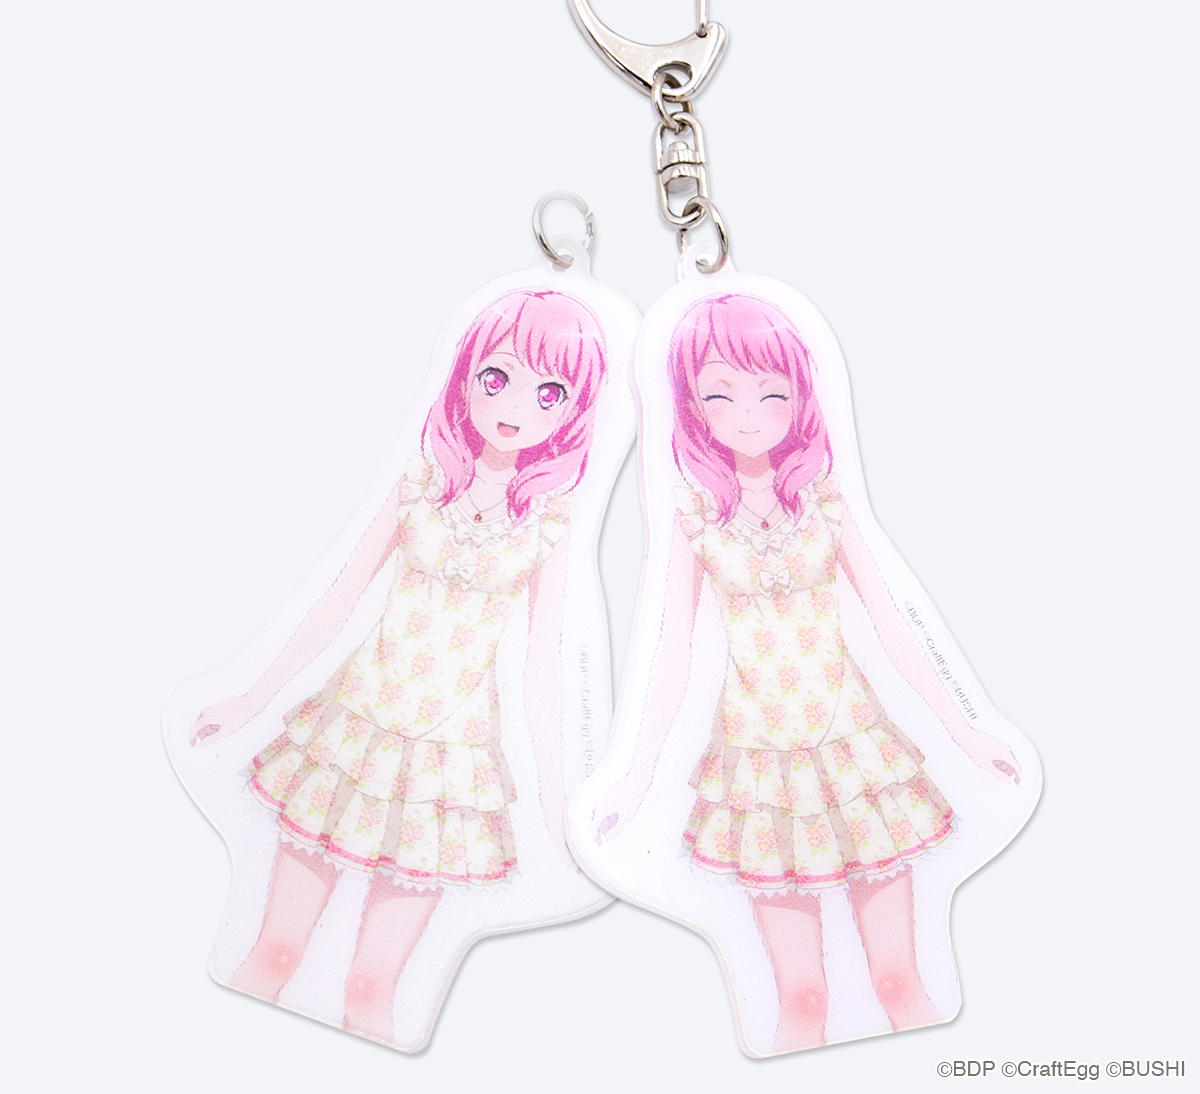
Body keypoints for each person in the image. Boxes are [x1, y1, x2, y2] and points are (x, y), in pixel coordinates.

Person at [592, 292, 1018, 1052]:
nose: (749, 416)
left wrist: (967, 731)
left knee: (900, 981)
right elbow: (672, 652)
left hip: (857, 757)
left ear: (799, 398)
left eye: (772, 394)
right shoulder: (694, 517)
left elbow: (890, 622)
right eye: (720, 395)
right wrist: (635, 776)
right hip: (760, 773)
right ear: (691, 406)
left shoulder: (823, 502)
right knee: (800, 998)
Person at [190, 288, 607, 1045]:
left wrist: (557, 810)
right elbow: (336, 599)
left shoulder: (548, 522)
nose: (516, 407)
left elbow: (542, 668)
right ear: (465, 376)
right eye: (496, 378)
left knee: (375, 992)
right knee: (274, 952)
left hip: (448, 769)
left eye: (549, 393)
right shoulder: (421, 487)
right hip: (353, 736)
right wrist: (248, 699)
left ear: (572, 413)